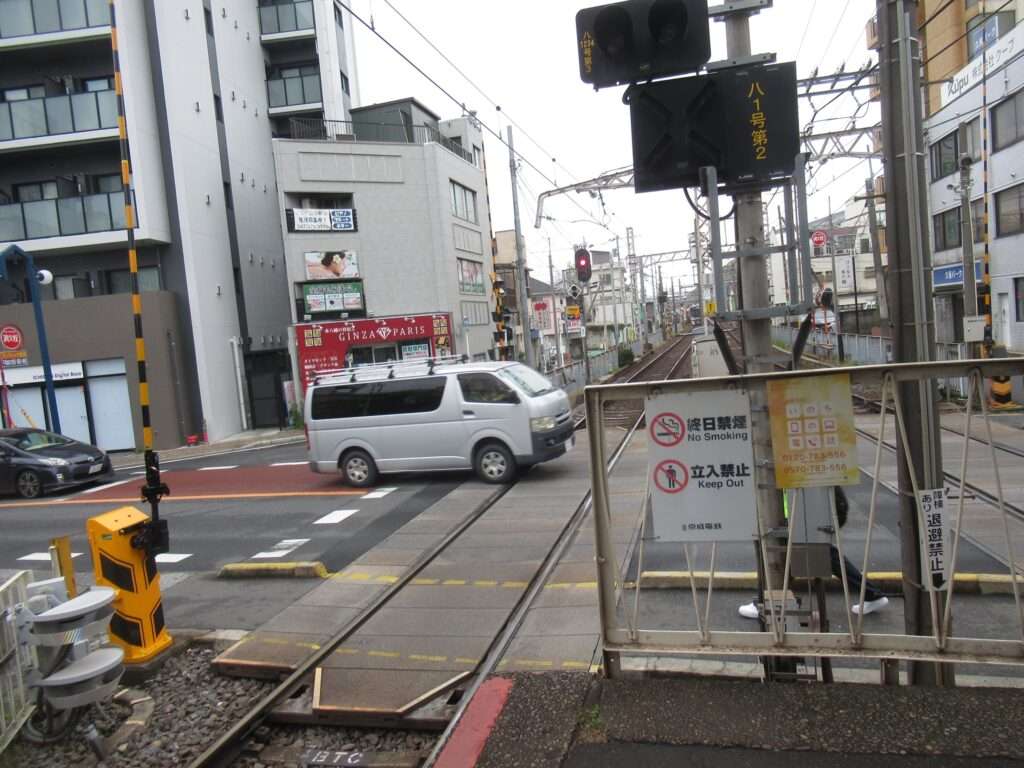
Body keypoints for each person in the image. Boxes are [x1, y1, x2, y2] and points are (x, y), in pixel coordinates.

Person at [738, 487, 889, 619]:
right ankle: (872, 594)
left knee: (778, 556)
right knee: (808, 558)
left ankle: (767, 602)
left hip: (802, 518)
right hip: (812, 515)